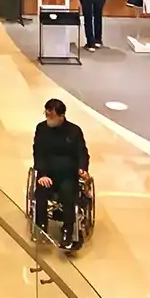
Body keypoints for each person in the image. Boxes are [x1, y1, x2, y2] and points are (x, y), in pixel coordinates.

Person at [32, 97, 90, 244]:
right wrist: (42, 174)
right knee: (41, 191)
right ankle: (41, 225)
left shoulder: (74, 131)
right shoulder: (42, 129)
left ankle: (67, 230)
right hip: (48, 173)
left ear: (61, 116)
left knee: (68, 194)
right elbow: (38, 152)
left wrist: (82, 168)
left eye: (51, 115)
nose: (47, 118)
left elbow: (82, 152)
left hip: (68, 175)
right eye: (46, 114)